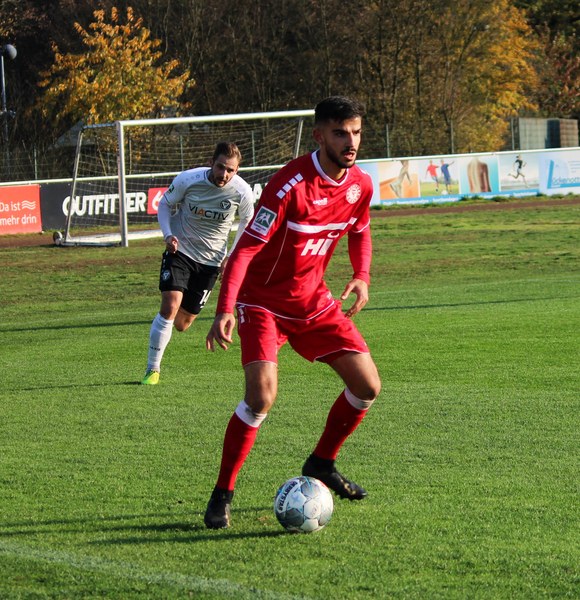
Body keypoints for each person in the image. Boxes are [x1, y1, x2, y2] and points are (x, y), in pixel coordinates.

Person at [204, 96, 382, 529]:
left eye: (356, 132)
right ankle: (222, 493)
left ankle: (321, 462)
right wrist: (225, 308)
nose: (351, 141)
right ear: (319, 136)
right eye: (340, 133)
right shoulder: (290, 185)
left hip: (314, 301)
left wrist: (361, 275)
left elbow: (360, 231)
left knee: (367, 385)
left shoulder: (360, 184)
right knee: (261, 397)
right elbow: (245, 250)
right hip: (263, 302)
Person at [141, 141, 255, 385]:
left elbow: (248, 222)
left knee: (182, 323)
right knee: (170, 306)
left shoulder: (242, 192)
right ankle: (152, 369)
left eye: (230, 170)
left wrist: (231, 256)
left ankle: (164, 327)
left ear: (237, 170)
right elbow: (165, 204)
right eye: (220, 167)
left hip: (211, 261)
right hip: (179, 250)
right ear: (211, 163)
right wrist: (167, 235)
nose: (224, 174)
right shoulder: (188, 179)